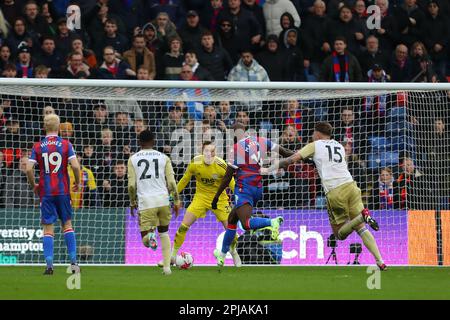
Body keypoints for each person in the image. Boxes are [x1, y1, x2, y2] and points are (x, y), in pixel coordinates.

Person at [264, 122, 386, 270]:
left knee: (340, 234)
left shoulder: (315, 145)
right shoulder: (339, 146)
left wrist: (267, 169)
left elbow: (290, 160)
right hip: (351, 186)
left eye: (312, 133)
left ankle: (362, 217)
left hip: (335, 192)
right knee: (361, 229)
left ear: (317, 133)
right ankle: (380, 261)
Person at [211, 122, 294, 267]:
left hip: (244, 188)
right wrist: (305, 158)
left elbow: (227, 177)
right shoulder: (261, 141)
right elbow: (285, 152)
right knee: (232, 219)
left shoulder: (236, 148)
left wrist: (217, 196)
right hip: (258, 188)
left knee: (246, 223)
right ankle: (222, 255)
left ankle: (271, 223)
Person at [159, 141, 241, 267]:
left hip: (219, 200)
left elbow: (232, 184)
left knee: (231, 230)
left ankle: (234, 252)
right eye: (207, 151)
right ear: (202, 152)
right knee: (183, 227)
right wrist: (173, 195)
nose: (209, 154)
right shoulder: (195, 162)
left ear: (215, 152)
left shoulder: (222, 165)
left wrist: (240, 198)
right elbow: (184, 179)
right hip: (200, 198)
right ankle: (172, 256)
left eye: (212, 151)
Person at [26, 114, 82, 275]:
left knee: (48, 229)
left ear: (44, 127)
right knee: (67, 225)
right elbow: (76, 166)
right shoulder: (65, 144)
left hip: (47, 192)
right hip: (63, 191)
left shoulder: (38, 146)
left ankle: (49, 266)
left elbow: (29, 168)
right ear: (58, 128)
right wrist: (78, 182)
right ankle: (73, 264)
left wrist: (34, 185)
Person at [127, 130, 181, 276]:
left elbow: (131, 185)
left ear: (139, 142)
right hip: (163, 200)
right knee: (164, 233)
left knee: (145, 239)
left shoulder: (133, 159)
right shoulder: (164, 157)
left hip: (146, 202)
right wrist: (176, 200)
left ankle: (150, 237)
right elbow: (171, 182)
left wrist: (132, 202)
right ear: (154, 141)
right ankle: (167, 268)